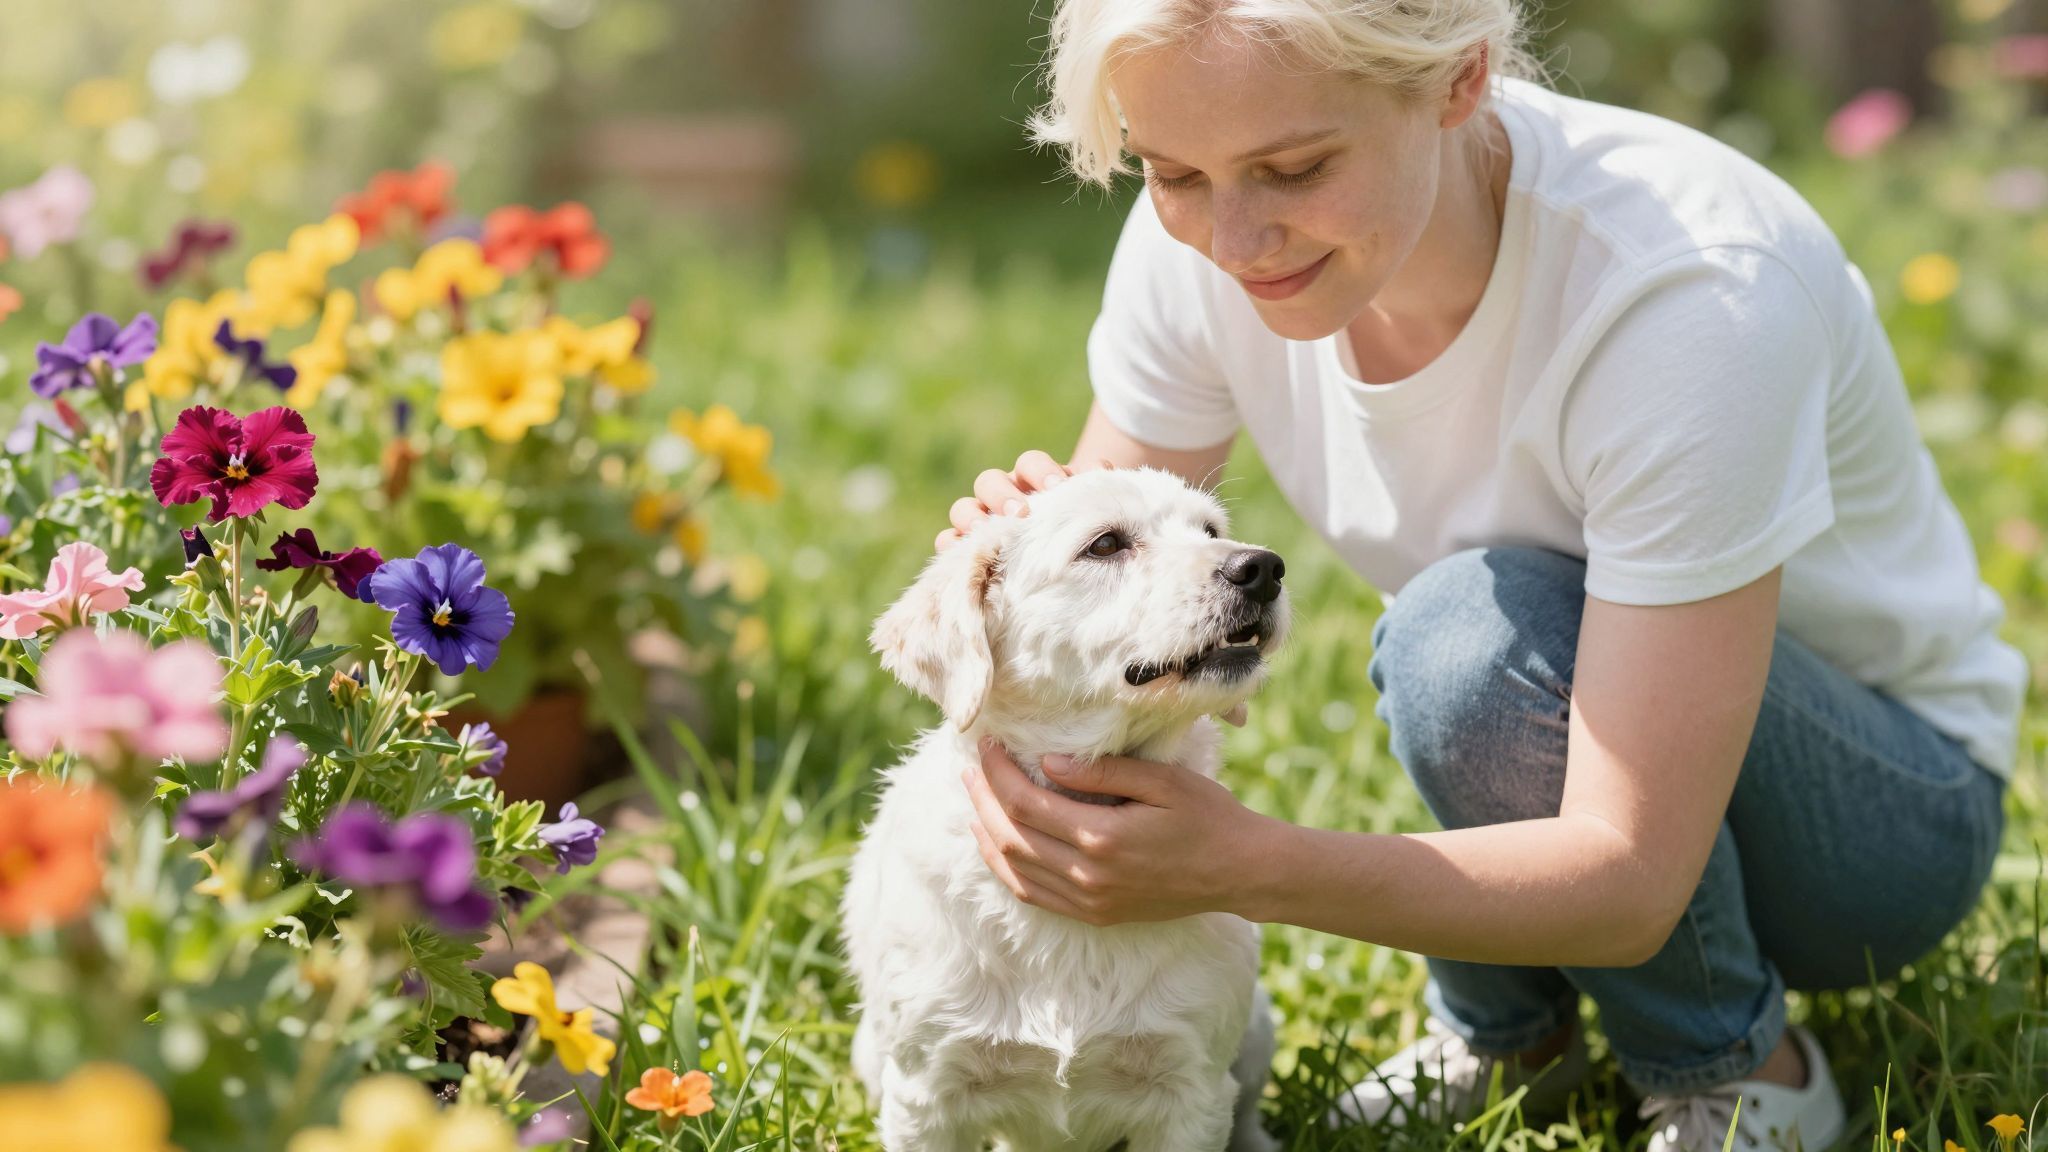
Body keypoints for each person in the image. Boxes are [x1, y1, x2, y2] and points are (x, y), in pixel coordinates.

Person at [934, 2, 2024, 1149]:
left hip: (1873, 829)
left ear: (1459, 80)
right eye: (1174, 173)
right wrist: (1022, 559)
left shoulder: (1687, 290)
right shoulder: (1196, 243)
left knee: (1465, 641)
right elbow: (1109, 628)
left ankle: (1744, 1069)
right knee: (1466, 639)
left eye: (1294, 167)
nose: (1234, 238)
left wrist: (1245, 866)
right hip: (1566, 734)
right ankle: (1516, 1041)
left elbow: (1631, 872)